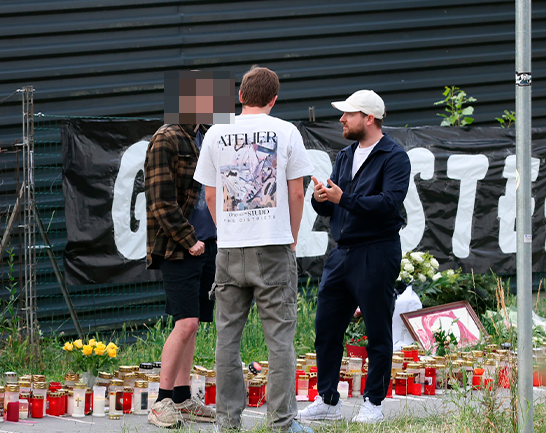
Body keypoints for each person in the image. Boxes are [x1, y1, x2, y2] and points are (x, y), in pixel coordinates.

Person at [193, 66, 315, 433]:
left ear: (241, 96)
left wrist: (226, 229)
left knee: (227, 338)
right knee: (279, 339)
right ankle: (282, 423)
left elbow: (211, 194)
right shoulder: (287, 131)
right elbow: (297, 192)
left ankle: (227, 422)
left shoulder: (216, 133)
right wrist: (291, 237)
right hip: (274, 247)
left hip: (229, 251)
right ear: (274, 99)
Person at [298, 90, 410, 424]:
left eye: (349, 114)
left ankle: (373, 403)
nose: (342, 120)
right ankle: (328, 400)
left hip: (376, 251)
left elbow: (389, 204)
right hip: (341, 253)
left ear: (369, 118)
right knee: (326, 328)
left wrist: (343, 198)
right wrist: (321, 198)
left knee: (378, 329)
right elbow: (333, 202)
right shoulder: (346, 155)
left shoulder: (395, 156)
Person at [145, 106, 219, 426]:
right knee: (185, 322)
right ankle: (161, 402)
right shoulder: (167, 137)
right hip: (180, 247)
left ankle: (183, 397)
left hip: (208, 244)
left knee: (195, 323)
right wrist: (189, 240)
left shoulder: (207, 135)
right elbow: (161, 201)